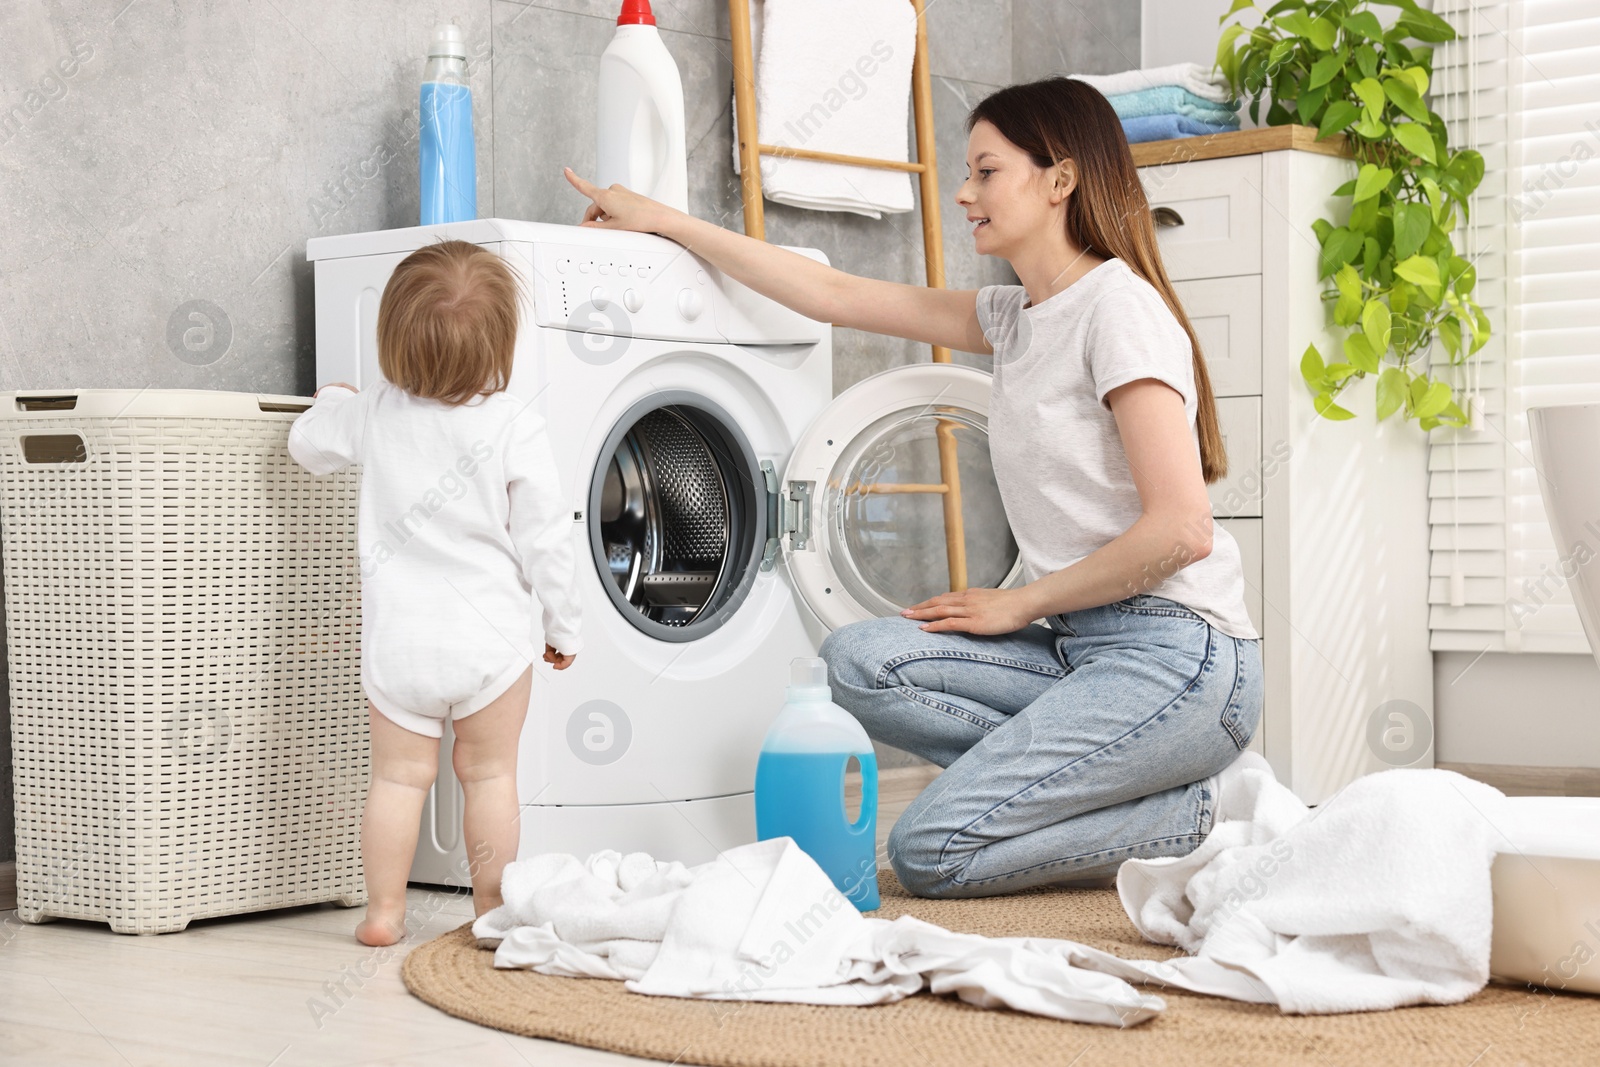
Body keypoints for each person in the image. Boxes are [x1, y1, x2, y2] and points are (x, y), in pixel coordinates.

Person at [564, 75, 1263, 899]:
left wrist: (1018, 604)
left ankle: (1206, 812)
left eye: (986, 171)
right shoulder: (1015, 316)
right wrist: (667, 223)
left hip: (1180, 659)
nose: (964, 193)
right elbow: (834, 294)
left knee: (933, 849)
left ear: (1059, 181)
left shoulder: (1119, 310)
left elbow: (1183, 530)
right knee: (856, 660)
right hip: (1077, 651)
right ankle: (1099, 780)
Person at [289, 240, 582, 943]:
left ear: (393, 340)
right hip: (493, 644)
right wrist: (563, 628)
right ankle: (489, 911)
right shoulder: (515, 424)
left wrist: (335, 399)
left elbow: (306, 444)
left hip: (401, 646)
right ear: (502, 344)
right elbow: (549, 541)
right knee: (488, 778)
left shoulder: (377, 413)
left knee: (395, 781)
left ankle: (384, 914)